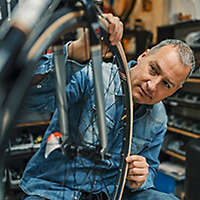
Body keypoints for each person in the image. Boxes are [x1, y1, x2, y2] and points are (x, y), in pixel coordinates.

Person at [19, 13, 195, 200]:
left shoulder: (158, 117)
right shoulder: (92, 75)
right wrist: (75, 53)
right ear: (144, 56)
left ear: (175, 90)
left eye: (166, 84)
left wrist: (142, 176)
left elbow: (150, 167)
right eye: (153, 69)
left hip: (112, 194)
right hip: (56, 191)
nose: (152, 85)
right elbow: (29, 98)